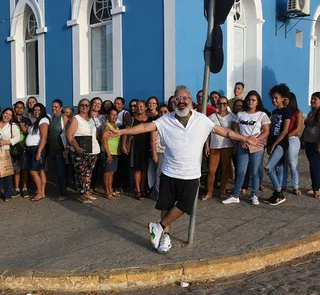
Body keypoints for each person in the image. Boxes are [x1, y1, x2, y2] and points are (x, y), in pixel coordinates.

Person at [104, 85, 259, 253]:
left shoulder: (202, 120)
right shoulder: (165, 120)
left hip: (192, 174)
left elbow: (225, 132)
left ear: (190, 101)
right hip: (169, 171)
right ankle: (165, 237)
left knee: (185, 206)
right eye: (177, 99)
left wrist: (245, 138)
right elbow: (143, 128)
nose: (181, 102)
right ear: (173, 103)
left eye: (185, 98)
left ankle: (159, 226)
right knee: (166, 205)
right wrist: (120, 133)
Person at [222, 91, 270, 205]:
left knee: (254, 171)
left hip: (256, 145)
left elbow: (266, 131)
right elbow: (235, 127)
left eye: (253, 100)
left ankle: (254, 195)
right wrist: (241, 138)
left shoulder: (262, 115)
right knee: (240, 171)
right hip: (243, 145)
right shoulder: (240, 114)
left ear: (258, 102)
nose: (251, 102)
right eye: (249, 99)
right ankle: (235, 195)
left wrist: (255, 140)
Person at [67, 98, 100, 204]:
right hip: (80, 151)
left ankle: (86, 192)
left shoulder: (91, 119)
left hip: (93, 151)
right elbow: (69, 135)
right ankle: (81, 194)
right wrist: (77, 148)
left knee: (88, 173)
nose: (84, 107)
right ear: (79, 107)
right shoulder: (76, 119)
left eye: (87, 105)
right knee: (81, 173)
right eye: (82, 105)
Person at [264, 84, 291, 206]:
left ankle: (279, 192)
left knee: (268, 167)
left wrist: (274, 144)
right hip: (273, 143)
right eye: (273, 98)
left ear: (282, 99)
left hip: (281, 144)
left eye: (276, 98)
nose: (274, 100)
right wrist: (269, 144)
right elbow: (271, 128)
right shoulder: (274, 112)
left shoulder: (286, 111)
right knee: (278, 168)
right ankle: (276, 194)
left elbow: (284, 131)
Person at [203, 96, 235, 200]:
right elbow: (207, 132)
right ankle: (209, 191)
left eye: (224, 103)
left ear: (227, 105)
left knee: (225, 169)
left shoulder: (232, 117)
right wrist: (207, 145)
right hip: (214, 146)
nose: (222, 105)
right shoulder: (212, 117)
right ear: (217, 104)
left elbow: (234, 132)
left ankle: (222, 191)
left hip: (227, 146)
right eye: (220, 103)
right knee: (212, 170)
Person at [123, 100, 153, 200]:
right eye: (137, 106)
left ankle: (143, 188)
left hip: (146, 146)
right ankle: (137, 190)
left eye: (141, 106)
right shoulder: (131, 119)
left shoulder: (150, 120)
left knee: (144, 169)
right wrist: (124, 145)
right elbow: (126, 132)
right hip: (135, 146)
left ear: (145, 108)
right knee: (136, 169)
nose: (139, 108)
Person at [0, 108, 20, 202]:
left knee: (7, 174)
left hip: (6, 151)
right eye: (6, 113)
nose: (7, 116)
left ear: (12, 117)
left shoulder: (12, 126)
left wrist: (7, 142)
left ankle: (7, 195)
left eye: (10, 115)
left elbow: (17, 138)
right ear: (2, 113)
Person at [25, 103, 50, 201]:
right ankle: (42, 192)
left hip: (38, 149)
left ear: (42, 111)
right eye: (35, 110)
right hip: (33, 149)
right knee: (41, 171)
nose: (36, 112)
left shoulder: (43, 120)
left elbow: (44, 137)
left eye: (38, 110)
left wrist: (39, 152)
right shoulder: (36, 121)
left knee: (33, 171)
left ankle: (39, 193)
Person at [280, 92, 302, 196]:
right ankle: (283, 183)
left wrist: (286, 135)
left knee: (292, 164)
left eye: (286, 98)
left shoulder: (297, 112)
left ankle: (295, 186)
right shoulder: (283, 111)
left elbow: (298, 128)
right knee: (283, 163)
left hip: (292, 139)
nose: (283, 100)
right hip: (282, 139)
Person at [48, 99, 69, 201]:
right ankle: (60, 191)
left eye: (56, 107)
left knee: (61, 173)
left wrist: (67, 149)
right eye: (52, 106)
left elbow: (68, 133)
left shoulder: (63, 117)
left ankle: (63, 194)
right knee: (57, 173)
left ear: (61, 108)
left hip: (61, 151)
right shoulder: (52, 118)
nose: (54, 108)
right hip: (53, 150)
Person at [301, 92, 320, 198]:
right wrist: (302, 139)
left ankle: (316, 189)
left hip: (315, 143)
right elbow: (307, 127)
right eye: (312, 99)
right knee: (314, 166)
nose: (312, 101)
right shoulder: (311, 113)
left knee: (314, 166)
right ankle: (316, 186)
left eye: (315, 99)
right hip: (308, 142)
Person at [150, 105, 170, 200]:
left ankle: (158, 193)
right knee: (159, 174)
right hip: (159, 152)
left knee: (166, 174)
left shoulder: (171, 124)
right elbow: (152, 140)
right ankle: (157, 194)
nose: (163, 114)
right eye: (161, 112)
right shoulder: (156, 124)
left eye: (165, 111)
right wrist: (154, 154)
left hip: (168, 152)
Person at [13, 101, 32, 198]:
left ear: (24, 109)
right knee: (16, 169)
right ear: (14, 108)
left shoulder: (27, 120)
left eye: (21, 108)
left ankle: (24, 188)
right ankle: (16, 188)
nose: (19, 109)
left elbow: (26, 131)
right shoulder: (10, 119)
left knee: (24, 168)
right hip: (14, 147)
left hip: (24, 146)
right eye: (17, 107)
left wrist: (20, 122)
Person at [101, 107, 120, 199]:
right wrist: (108, 154)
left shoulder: (116, 125)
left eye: (116, 115)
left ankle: (110, 190)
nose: (114, 116)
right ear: (108, 116)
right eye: (112, 114)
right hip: (108, 152)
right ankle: (107, 191)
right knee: (107, 172)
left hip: (115, 152)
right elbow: (103, 140)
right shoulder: (107, 126)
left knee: (112, 172)